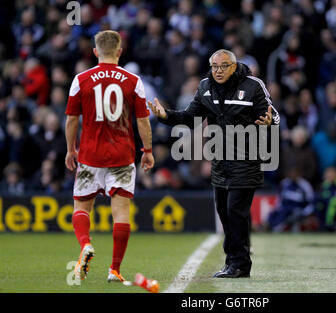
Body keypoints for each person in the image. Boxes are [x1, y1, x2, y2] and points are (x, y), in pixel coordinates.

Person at [148, 49, 280, 278]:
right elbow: (190, 118)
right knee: (224, 211)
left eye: (224, 66)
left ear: (234, 66)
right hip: (219, 158)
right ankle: (234, 261)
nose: (218, 71)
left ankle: (239, 264)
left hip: (246, 158)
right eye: (215, 66)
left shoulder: (253, 86)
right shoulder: (205, 87)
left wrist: (269, 122)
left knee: (235, 211)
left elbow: (274, 115)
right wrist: (165, 116)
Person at [65, 30, 154, 283]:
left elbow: (72, 119)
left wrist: (71, 149)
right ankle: (114, 270)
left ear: (95, 52)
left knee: (82, 206)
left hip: (90, 155)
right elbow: (142, 120)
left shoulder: (80, 79)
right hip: (122, 156)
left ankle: (85, 244)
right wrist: (147, 151)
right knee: (122, 213)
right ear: (119, 51)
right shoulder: (133, 80)